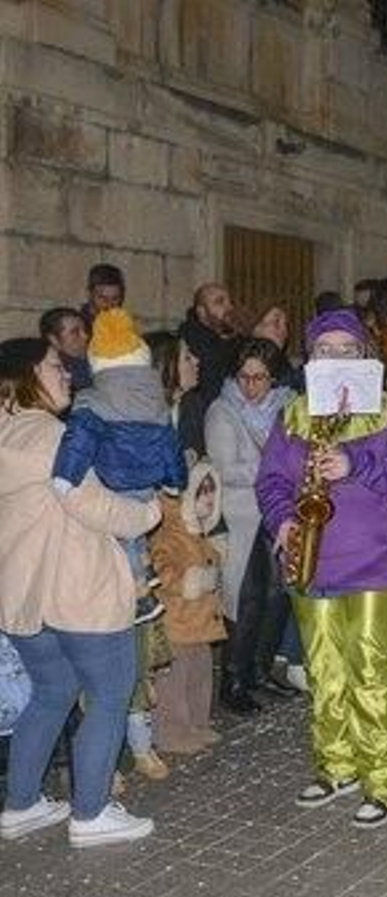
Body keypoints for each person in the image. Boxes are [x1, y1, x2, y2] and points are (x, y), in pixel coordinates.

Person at [256, 310, 387, 829]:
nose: (333, 358)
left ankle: (380, 779)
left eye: (345, 349)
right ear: (310, 360)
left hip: (375, 559)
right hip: (312, 557)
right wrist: (282, 520)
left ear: (364, 357)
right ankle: (336, 766)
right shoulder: (293, 415)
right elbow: (270, 481)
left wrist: (356, 463)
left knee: (371, 669)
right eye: (323, 350)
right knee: (324, 671)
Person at [0, 336, 161, 847]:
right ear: (27, 376)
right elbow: (93, 506)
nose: (67, 372)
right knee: (111, 693)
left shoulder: (6, 434)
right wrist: (151, 512)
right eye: (55, 366)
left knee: (51, 694)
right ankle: (90, 814)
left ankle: (21, 804)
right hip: (78, 590)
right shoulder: (52, 437)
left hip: (25, 595)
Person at [50, 309, 187, 625]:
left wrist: (64, 476)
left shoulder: (91, 400)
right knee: (137, 533)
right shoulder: (156, 402)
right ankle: (146, 572)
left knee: (123, 539)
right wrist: (175, 481)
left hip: (113, 481)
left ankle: (141, 598)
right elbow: (171, 446)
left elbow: (79, 440)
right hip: (146, 484)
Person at [206, 341, 295, 713]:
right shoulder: (222, 410)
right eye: (244, 376)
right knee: (247, 599)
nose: (250, 385)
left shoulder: (286, 407)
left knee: (278, 596)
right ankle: (234, 679)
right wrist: (270, 466)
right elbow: (223, 470)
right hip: (242, 518)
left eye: (259, 378)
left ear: (273, 379)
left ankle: (259, 669)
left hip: (276, 514)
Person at [148, 461, 228, 754]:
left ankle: (197, 723)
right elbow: (161, 570)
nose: (208, 498)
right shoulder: (169, 534)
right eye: (201, 492)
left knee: (201, 676)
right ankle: (172, 731)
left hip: (201, 624)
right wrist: (189, 582)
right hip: (177, 623)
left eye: (212, 492)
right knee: (173, 683)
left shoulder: (200, 535)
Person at [150, 330, 207, 464]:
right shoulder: (139, 413)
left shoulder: (193, 404)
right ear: (166, 366)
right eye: (187, 358)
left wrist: (193, 453)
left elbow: (197, 446)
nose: (197, 360)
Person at [181, 283, 243, 404]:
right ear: (201, 311)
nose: (229, 307)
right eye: (220, 302)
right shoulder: (192, 340)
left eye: (230, 302)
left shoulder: (237, 339)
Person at [40, 307, 92, 393]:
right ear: (54, 339)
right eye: (75, 332)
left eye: (85, 330)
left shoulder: (93, 356)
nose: (85, 336)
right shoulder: (55, 371)